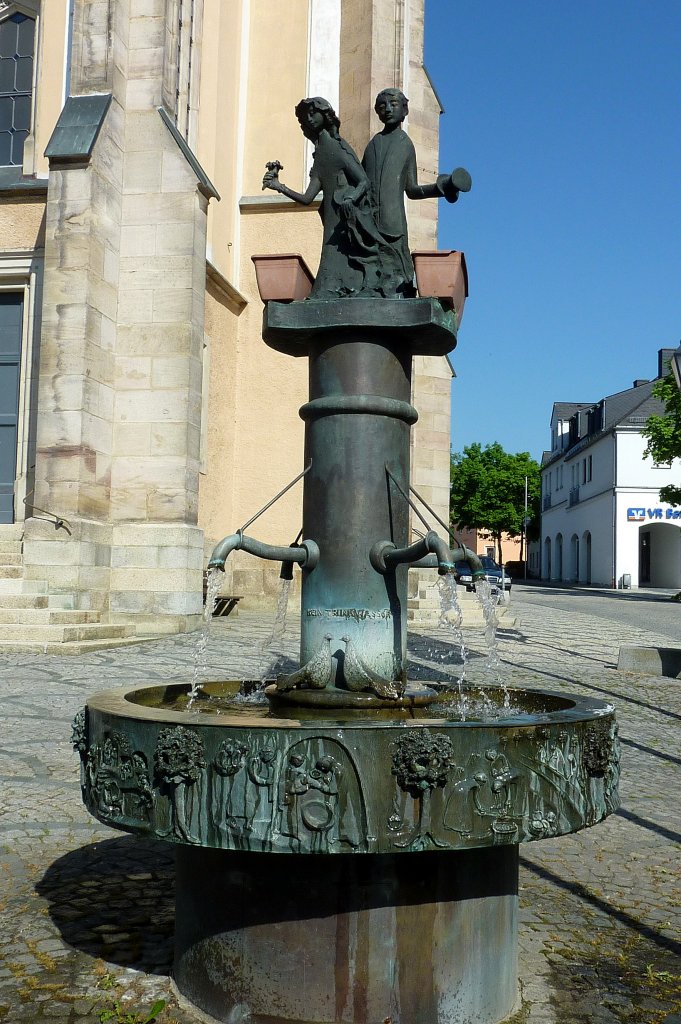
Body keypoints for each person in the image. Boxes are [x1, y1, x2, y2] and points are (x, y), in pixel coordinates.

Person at [263, 97, 399, 298]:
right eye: (305, 117)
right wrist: (278, 186)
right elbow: (308, 197)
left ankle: (352, 289)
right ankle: (330, 291)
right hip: (332, 218)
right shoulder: (320, 155)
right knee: (331, 257)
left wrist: (350, 198)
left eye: (313, 113)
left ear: (325, 115)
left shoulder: (337, 147)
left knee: (349, 258)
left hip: (345, 217)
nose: (309, 119)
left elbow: (363, 181)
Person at [362, 88, 472, 295]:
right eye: (382, 106)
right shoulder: (373, 144)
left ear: (405, 110)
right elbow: (360, 181)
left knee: (397, 269)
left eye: (393, 104)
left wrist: (442, 188)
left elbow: (411, 190)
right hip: (368, 219)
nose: (387, 109)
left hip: (391, 221)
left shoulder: (405, 144)